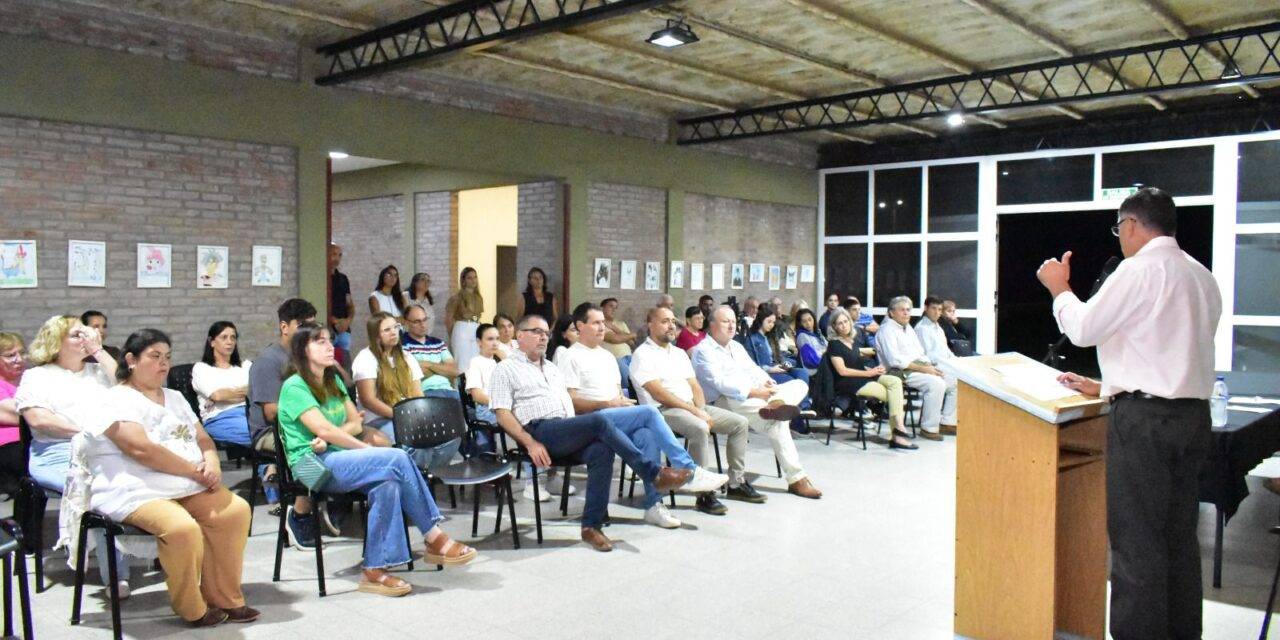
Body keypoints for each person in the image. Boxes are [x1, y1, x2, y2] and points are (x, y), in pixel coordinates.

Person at [1035, 187, 1220, 639]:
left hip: (1145, 425)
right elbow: (1170, 349)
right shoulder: (1201, 276)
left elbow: (1083, 329)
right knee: (1178, 542)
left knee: (1137, 545)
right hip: (1192, 418)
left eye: (1120, 229)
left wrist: (1059, 288)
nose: (1120, 238)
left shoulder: (1137, 271)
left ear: (1132, 225)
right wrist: (1110, 385)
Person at [278, 322, 475, 596]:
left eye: (329, 340)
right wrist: (358, 447)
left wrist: (336, 436)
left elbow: (354, 423)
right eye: (319, 341)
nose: (329, 346)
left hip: (338, 456)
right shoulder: (294, 386)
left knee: (389, 485)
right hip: (310, 466)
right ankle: (434, 536)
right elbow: (324, 429)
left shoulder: (332, 380)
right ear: (302, 349)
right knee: (395, 457)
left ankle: (374, 570)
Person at [83, 329, 256, 627]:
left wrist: (212, 462)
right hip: (136, 487)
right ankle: (193, 608)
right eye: (154, 357)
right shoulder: (114, 399)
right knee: (181, 528)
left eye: (167, 357)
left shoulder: (175, 397)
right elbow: (141, 450)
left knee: (235, 511)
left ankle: (225, 597)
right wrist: (195, 472)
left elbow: (202, 437)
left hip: (185, 483)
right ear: (131, 360)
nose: (163, 364)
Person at [487, 314, 696, 552]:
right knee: (598, 420)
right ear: (520, 335)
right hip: (538, 431)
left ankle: (591, 527)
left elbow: (566, 405)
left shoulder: (552, 369)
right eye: (536, 332)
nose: (543, 337)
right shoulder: (505, 369)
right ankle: (653, 474)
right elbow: (502, 413)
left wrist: (576, 429)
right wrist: (530, 443)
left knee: (601, 449)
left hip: (562, 428)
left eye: (546, 333)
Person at [558, 303, 728, 529]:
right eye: (596, 323)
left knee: (648, 436)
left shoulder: (607, 357)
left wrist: (619, 402)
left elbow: (617, 394)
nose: (602, 328)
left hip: (615, 415)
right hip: (590, 421)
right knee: (649, 411)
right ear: (580, 326)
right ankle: (690, 470)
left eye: (603, 323)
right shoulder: (570, 356)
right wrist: (607, 403)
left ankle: (653, 506)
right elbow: (571, 402)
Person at [15, 315, 129, 593]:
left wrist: (99, 352)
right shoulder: (37, 376)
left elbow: (128, 389)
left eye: (86, 334)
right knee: (101, 488)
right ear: (56, 341)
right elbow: (39, 420)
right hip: (56, 451)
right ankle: (116, 575)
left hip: (103, 448)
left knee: (135, 478)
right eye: (77, 335)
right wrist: (88, 430)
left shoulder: (97, 372)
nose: (85, 339)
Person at [632, 307, 753, 514]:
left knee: (740, 424)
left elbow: (695, 385)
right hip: (661, 412)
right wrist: (696, 413)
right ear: (650, 325)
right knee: (699, 427)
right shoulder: (642, 354)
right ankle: (703, 494)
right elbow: (659, 394)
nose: (671, 325)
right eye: (664, 321)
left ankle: (736, 483)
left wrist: (700, 408)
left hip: (691, 407)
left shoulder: (679, 353)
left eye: (672, 321)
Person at [692, 306, 822, 499]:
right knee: (777, 422)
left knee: (799, 384)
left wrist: (766, 382)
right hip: (723, 402)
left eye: (734, 322)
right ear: (711, 325)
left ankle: (777, 404)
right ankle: (797, 479)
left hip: (757, 400)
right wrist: (755, 392)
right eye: (726, 321)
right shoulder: (703, 350)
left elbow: (753, 369)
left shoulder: (736, 346)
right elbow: (720, 383)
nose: (731, 326)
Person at [247, 298, 320, 547]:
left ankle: (332, 501)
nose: (307, 333)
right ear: (284, 326)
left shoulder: (309, 356)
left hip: (302, 423)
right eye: (302, 326)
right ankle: (299, 512)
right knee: (316, 445)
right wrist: (312, 413)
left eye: (311, 326)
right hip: (269, 432)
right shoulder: (268, 361)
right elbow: (271, 412)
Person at [351, 312, 453, 470]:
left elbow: (417, 394)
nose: (393, 332)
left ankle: (426, 474)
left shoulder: (407, 357)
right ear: (376, 335)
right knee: (415, 441)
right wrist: (401, 416)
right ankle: (416, 479)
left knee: (450, 436)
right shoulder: (365, 358)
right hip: (379, 418)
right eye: (387, 330)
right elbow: (368, 400)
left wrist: (422, 416)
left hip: (409, 415)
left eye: (396, 327)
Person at [826, 309, 915, 450]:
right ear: (834, 327)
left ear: (850, 322)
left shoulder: (852, 341)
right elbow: (842, 371)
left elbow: (856, 364)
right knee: (892, 395)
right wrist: (869, 373)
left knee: (895, 381)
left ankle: (899, 427)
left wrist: (874, 371)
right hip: (848, 383)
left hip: (863, 376)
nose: (843, 325)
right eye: (839, 323)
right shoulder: (834, 344)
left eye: (845, 321)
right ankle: (897, 435)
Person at [875, 296, 957, 440]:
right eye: (902, 310)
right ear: (891, 313)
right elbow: (895, 361)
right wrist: (925, 369)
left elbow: (920, 353)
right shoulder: (886, 330)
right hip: (898, 372)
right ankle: (928, 428)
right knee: (936, 383)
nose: (906, 313)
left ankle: (946, 421)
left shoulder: (908, 329)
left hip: (917, 368)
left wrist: (929, 366)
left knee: (954, 381)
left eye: (908, 310)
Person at [192, 322, 252, 447]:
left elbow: (260, 390)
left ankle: (269, 466)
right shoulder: (202, 368)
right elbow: (217, 396)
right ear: (212, 341)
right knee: (264, 435)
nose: (229, 342)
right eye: (224, 337)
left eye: (233, 337)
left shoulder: (245, 365)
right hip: (220, 418)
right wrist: (246, 392)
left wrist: (228, 394)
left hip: (251, 413)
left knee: (281, 431)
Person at [745, 303, 811, 392]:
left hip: (777, 366)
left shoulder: (769, 336)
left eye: (773, 322)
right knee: (790, 381)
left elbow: (777, 356)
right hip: (766, 372)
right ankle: (801, 404)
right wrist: (770, 369)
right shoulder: (752, 340)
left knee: (803, 373)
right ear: (761, 320)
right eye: (769, 321)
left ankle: (804, 405)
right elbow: (751, 365)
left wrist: (783, 364)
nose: (771, 325)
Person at [400, 304, 461, 399]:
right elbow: (408, 376)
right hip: (425, 394)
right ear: (406, 323)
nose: (423, 325)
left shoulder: (438, 343)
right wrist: (441, 367)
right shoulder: (402, 345)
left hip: (450, 391)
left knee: (473, 411)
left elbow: (454, 371)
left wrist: (428, 365)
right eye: (417, 321)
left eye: (424, 320)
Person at [0, 332, 26, 496]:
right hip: (8, 450)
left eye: (21, 353)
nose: (19, 359)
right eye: (10, 355)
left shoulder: (16, 387)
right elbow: (17, 414)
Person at [445, 266, 484, 373]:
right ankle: (460, 387)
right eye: (469, 278)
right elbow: (448, 319)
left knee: (476, 360)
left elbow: (478, 316)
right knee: (462, 361)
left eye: (475, 277)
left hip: (475, 327)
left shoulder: (479, 298)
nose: (473, 280)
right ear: (463, 281)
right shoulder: (456, 298)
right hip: (462, 328)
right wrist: (451, 334)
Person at [464, 323, 500, 425]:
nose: (495, 343)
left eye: (497, 339)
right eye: (490, 339)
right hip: (487, 410)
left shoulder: (497, 362)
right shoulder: (475, 362)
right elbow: (477, 396)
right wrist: (502, 405)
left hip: (501, 408)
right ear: (479, 342)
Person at [328, 244, 354, 366]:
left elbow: (349, 303)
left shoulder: (343, 279)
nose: (337, 258)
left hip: (344, 328)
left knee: (344, 362)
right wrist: (334, 321)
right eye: (334, 254)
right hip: (329, 327)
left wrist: (348, 320)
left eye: (339, 255)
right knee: (328, 361)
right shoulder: (323, 278)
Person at [915, 297, 955, 368]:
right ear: (926, 308)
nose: (937, 312)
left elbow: (945, 350)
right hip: (935, 367)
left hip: (947, 363)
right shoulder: (922, 328)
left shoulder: (939, 328)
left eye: (939, 309)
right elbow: (927, 355)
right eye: (933, 308)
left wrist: (955, 360)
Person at [404, 272, 439, 339]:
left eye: (428, 281)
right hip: (410, 337)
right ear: (415, 282)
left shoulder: (428, 300)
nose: (426, 283)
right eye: (423, 280)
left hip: (426, 337)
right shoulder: (406, 296)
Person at [794, 308, 827, 374]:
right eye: (804, 321)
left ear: (814, 319)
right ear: (800, 323)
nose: (808, 323)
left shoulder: (818, 333)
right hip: (816, 373)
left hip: (825, 367)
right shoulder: (802, 336)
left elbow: (830, 347)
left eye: (810, 320)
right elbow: (811, 361)